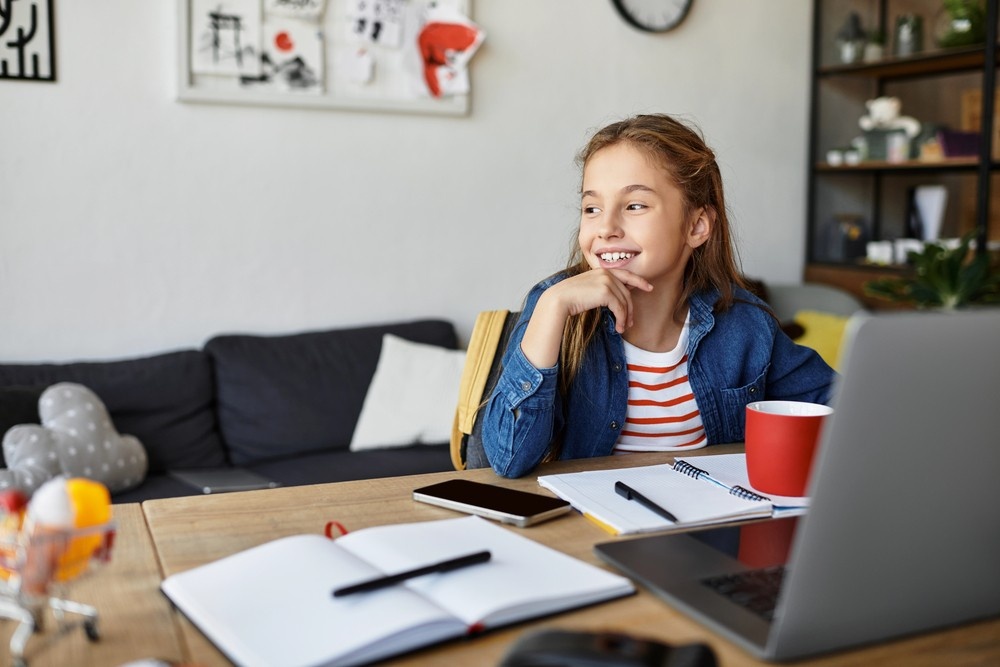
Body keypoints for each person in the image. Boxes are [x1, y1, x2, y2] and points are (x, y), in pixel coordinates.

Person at [480, 113, 835, 478]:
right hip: (585, 514)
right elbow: (509, 459)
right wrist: (551, 308)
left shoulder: (745, 325)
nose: (606, 228)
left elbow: (844, 407)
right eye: (592, 208)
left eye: (634, 205)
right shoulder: (552, 306)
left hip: (704, 512)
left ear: (696, 226)